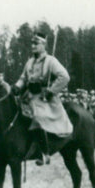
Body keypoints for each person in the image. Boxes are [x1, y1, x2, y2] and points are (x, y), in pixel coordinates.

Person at [13, 32, 72, 165]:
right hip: (28, 96)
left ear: (43, 45)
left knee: (37, 117)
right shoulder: (29, 62)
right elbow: (23, 78)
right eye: (32, 43)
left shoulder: (51, 61)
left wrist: (51, 91)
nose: (33, 46)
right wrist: (17, 86)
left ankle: (44, 153)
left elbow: (64, 77)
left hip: (45, 98)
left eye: (36, 43)